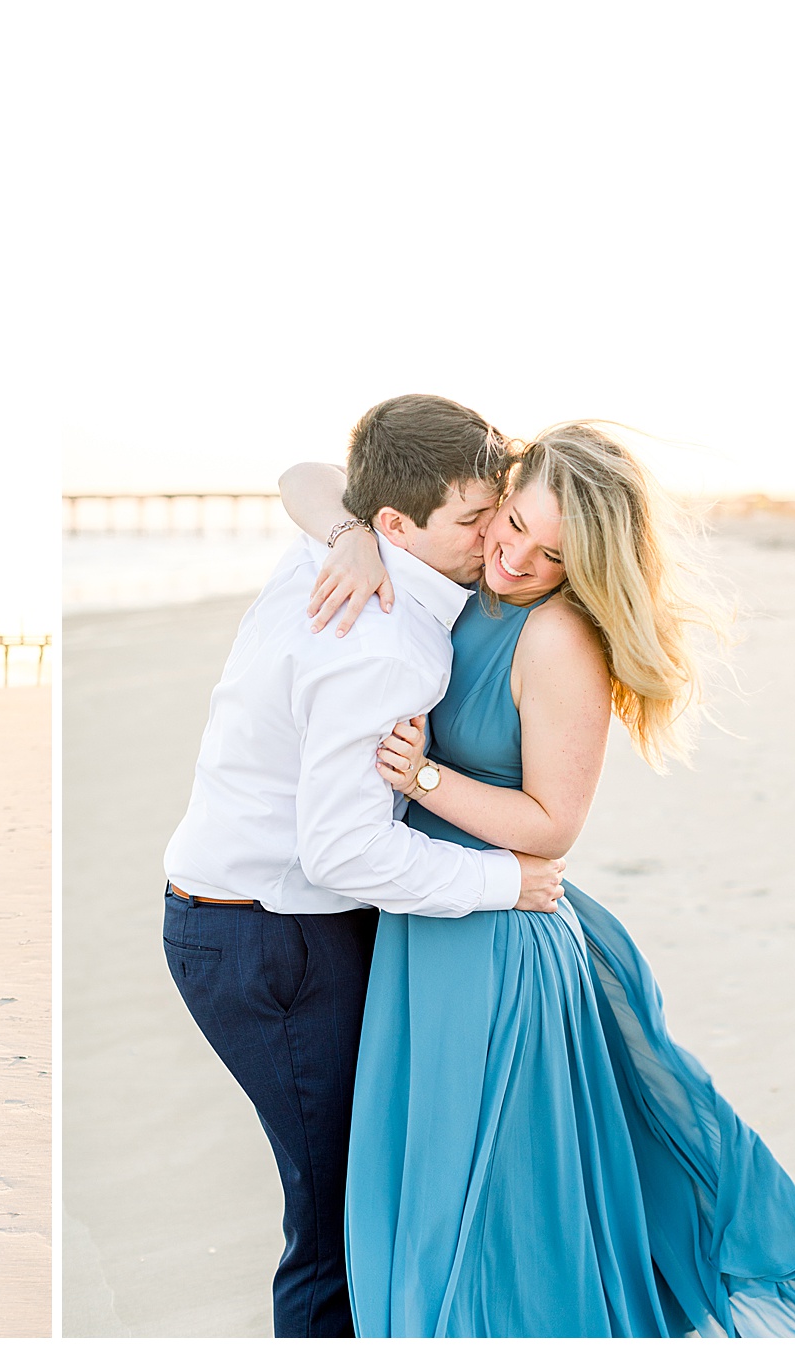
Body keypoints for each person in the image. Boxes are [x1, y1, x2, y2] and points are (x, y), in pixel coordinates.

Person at [280, 421, 795, 1336]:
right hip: (426, 932)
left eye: (553, 553)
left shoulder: (559, 636)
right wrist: (353, 538)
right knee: (421, 1213)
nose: (517, 558)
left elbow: (552, 826)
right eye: (513, 524)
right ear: (502, 488)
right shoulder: (467, 574)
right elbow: (304, 476)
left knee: (489, 1231)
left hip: (494, 951)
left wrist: (421, 778)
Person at [162, 395, 569, 1338]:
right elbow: (343, 851)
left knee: (357, 1198)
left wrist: (346, 531)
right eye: (473, 522)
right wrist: (505, 881)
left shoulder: (343, 550)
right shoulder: (383, 639)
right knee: (337, 1220)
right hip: (272, 940)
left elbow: (304, 479)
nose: (492, 540)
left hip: (255, 914)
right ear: (398, 523)